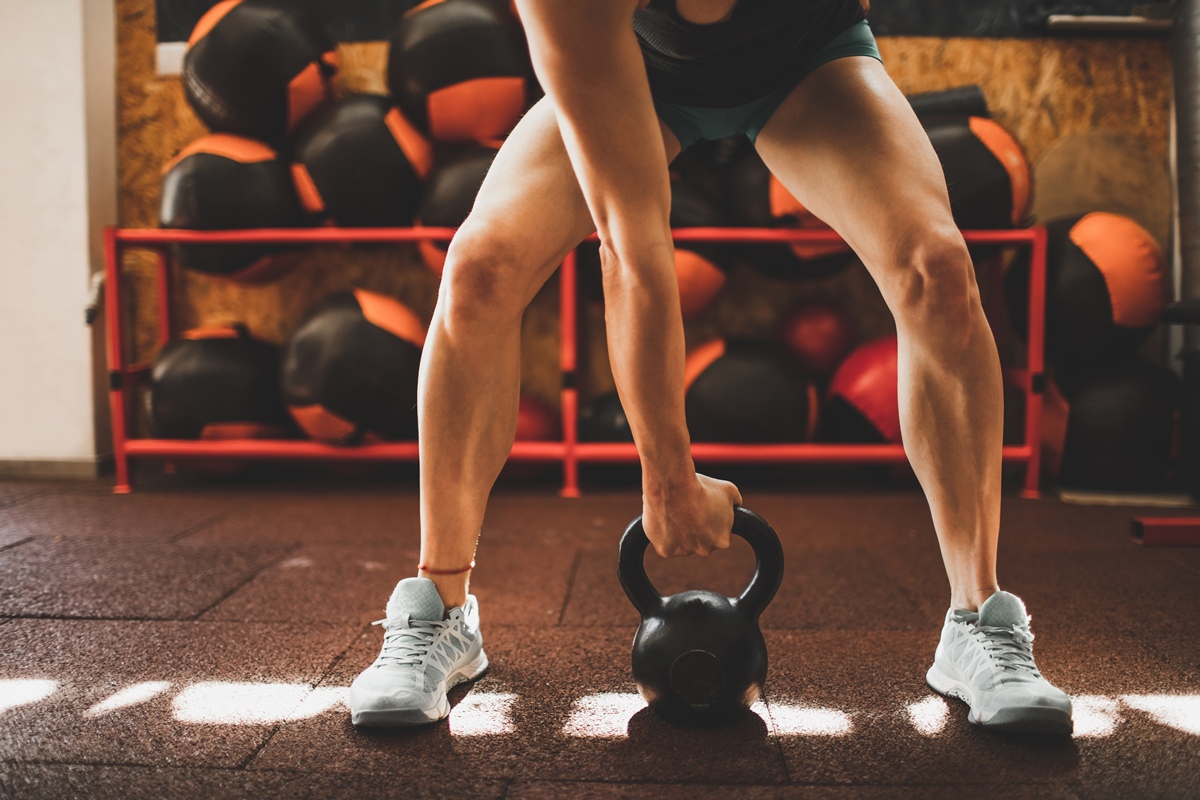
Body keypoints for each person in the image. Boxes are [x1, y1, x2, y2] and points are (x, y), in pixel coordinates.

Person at [348, 0, 1074, 735]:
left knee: (937, 269)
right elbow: (632, 247)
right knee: (479, 268)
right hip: (637, 65)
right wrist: (668, 478)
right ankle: (439, 609)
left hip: (806, 62)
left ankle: (978, 620)